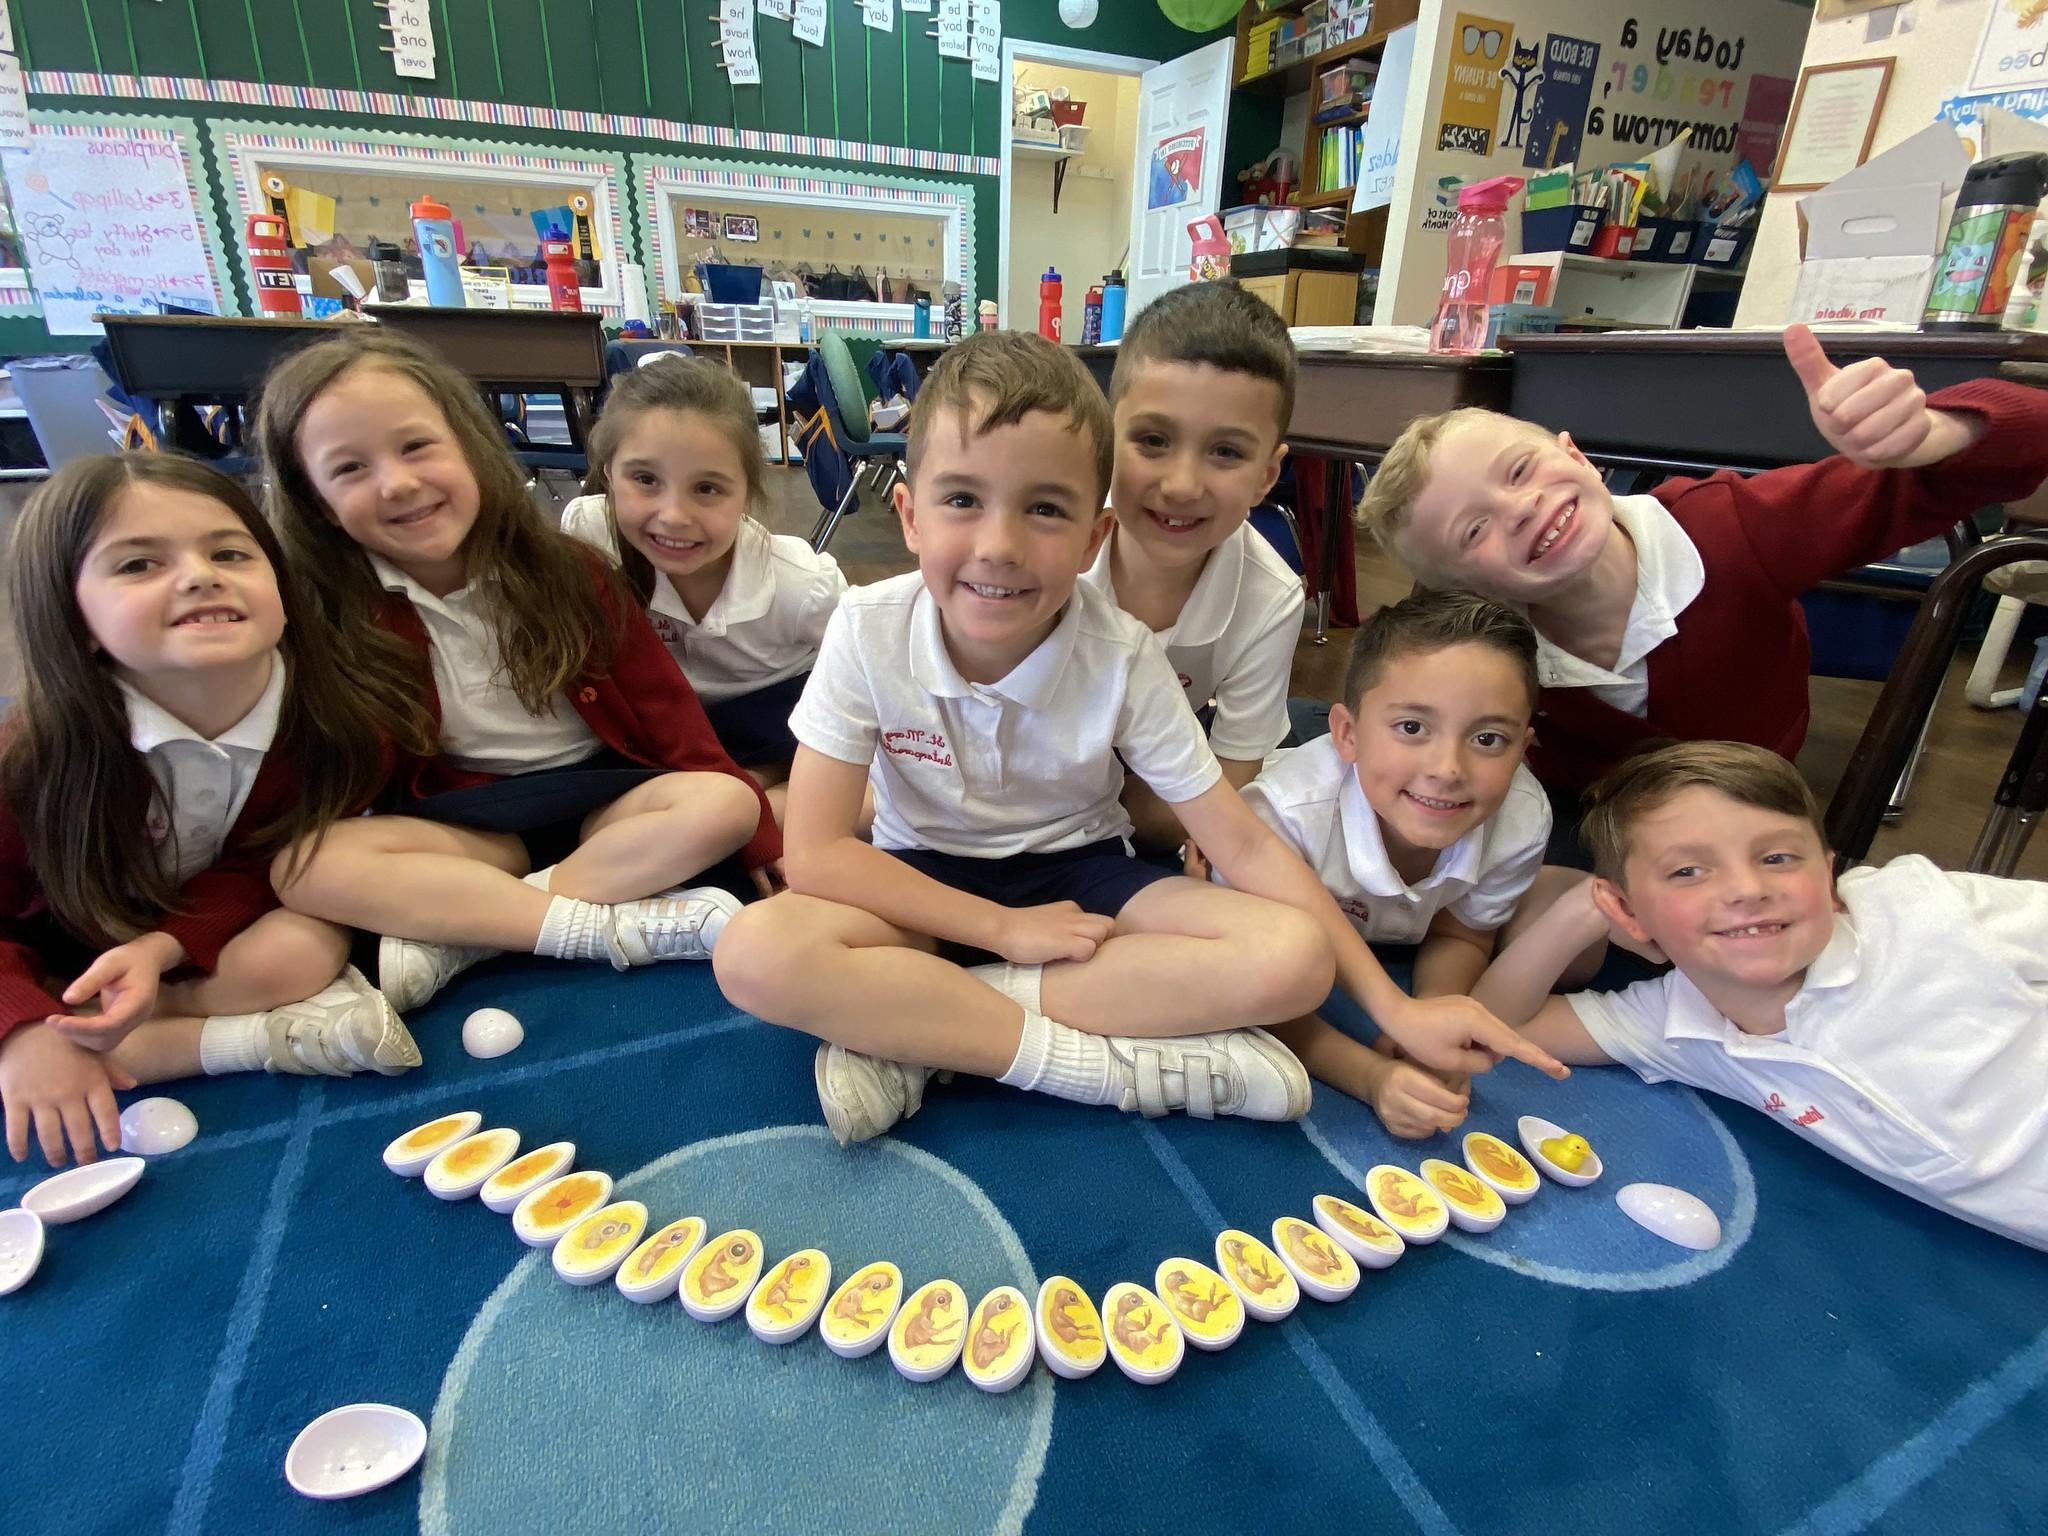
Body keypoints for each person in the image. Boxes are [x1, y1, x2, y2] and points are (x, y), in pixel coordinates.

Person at [713, 331, 1563, 1144]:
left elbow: (1248, 847)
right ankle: (1085, 1064)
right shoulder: (866, 628)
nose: (1000, 546)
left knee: (1294, 959)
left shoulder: (1123, 653)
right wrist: (1003, 932)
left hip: (1083, 874)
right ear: (908, 514)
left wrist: (1395, 1008)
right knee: (752, 951)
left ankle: (919, 1029)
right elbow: (821, 855)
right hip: (920, 880)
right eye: (962, 499)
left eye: (1045, 509)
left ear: (1093, 536)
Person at [251, 330, 780, 1011]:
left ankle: (474, 931)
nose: (399, 482)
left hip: (605, 810)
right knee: (304, 864)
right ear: (317, 500)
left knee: (727, 802)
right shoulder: (326, 612)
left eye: (416, 446)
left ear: (470, 444)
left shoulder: (566, 568)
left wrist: (759, 834)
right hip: (471, 830)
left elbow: (668, 712)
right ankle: (586, 925)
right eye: (350, 469)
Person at [1356, 324, 2048, 798]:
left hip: (1751, 801)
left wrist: (1932, 431)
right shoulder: (1491, 651)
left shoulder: (1731, 526)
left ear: (1575, 455)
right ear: (1471, 590)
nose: (1522, 510)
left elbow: (2027, 437)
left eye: (1520, 470)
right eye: (1475, 531)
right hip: (1596, 821)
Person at [0, 456, 418, 1167]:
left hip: (186, 955)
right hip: (60, 971)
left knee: (301, 946)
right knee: (37, 1058)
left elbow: (265, 863)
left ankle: (153, 1035)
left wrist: (163, 950)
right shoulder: (29, 765)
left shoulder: (340, 727)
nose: (199, 575)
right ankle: (244, 1043)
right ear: (74, 618)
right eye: (138, 565)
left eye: (228, 552)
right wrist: (24, 1029)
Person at [1473, 741, 2047, 1251]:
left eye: (1777, 858)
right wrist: (1580, 912)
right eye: (1689, 871)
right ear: (1625, 910)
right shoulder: (1677, 1022)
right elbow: (1491, 1025)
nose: (1748, 890)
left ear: (1826, 875)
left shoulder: (1920, 908)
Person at [1216, 590, 1573, 1139]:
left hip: (1382, 928)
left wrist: (1431, 1015)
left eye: (1487, 738)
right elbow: (1254, 989)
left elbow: (1463, 935)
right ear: (1348, 735)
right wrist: (1371, 1076)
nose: (1447, 769)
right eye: (1412, 728)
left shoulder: (1521, 817)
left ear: (1524, 749)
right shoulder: (1284, 817)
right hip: (1273, 911)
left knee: (1578, 948)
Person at [561, 356, 847, 819]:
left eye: (708, 488)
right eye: (645, 480)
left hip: (779, 720)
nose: (674, 515)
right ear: (609, 474)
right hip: (664, 732)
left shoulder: (803, 584)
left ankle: (759, 790)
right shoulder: (591, 537)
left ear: (747, 490)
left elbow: (873, 679)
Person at [1080, 279, 1303, 852]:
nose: (1181, 486)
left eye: (1226, 452)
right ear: (1107, 435)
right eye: (1153, 440)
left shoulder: (1271, 598)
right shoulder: (1054, 548)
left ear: (1267, 476)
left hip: (1158, 759)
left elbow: (1231, 779)